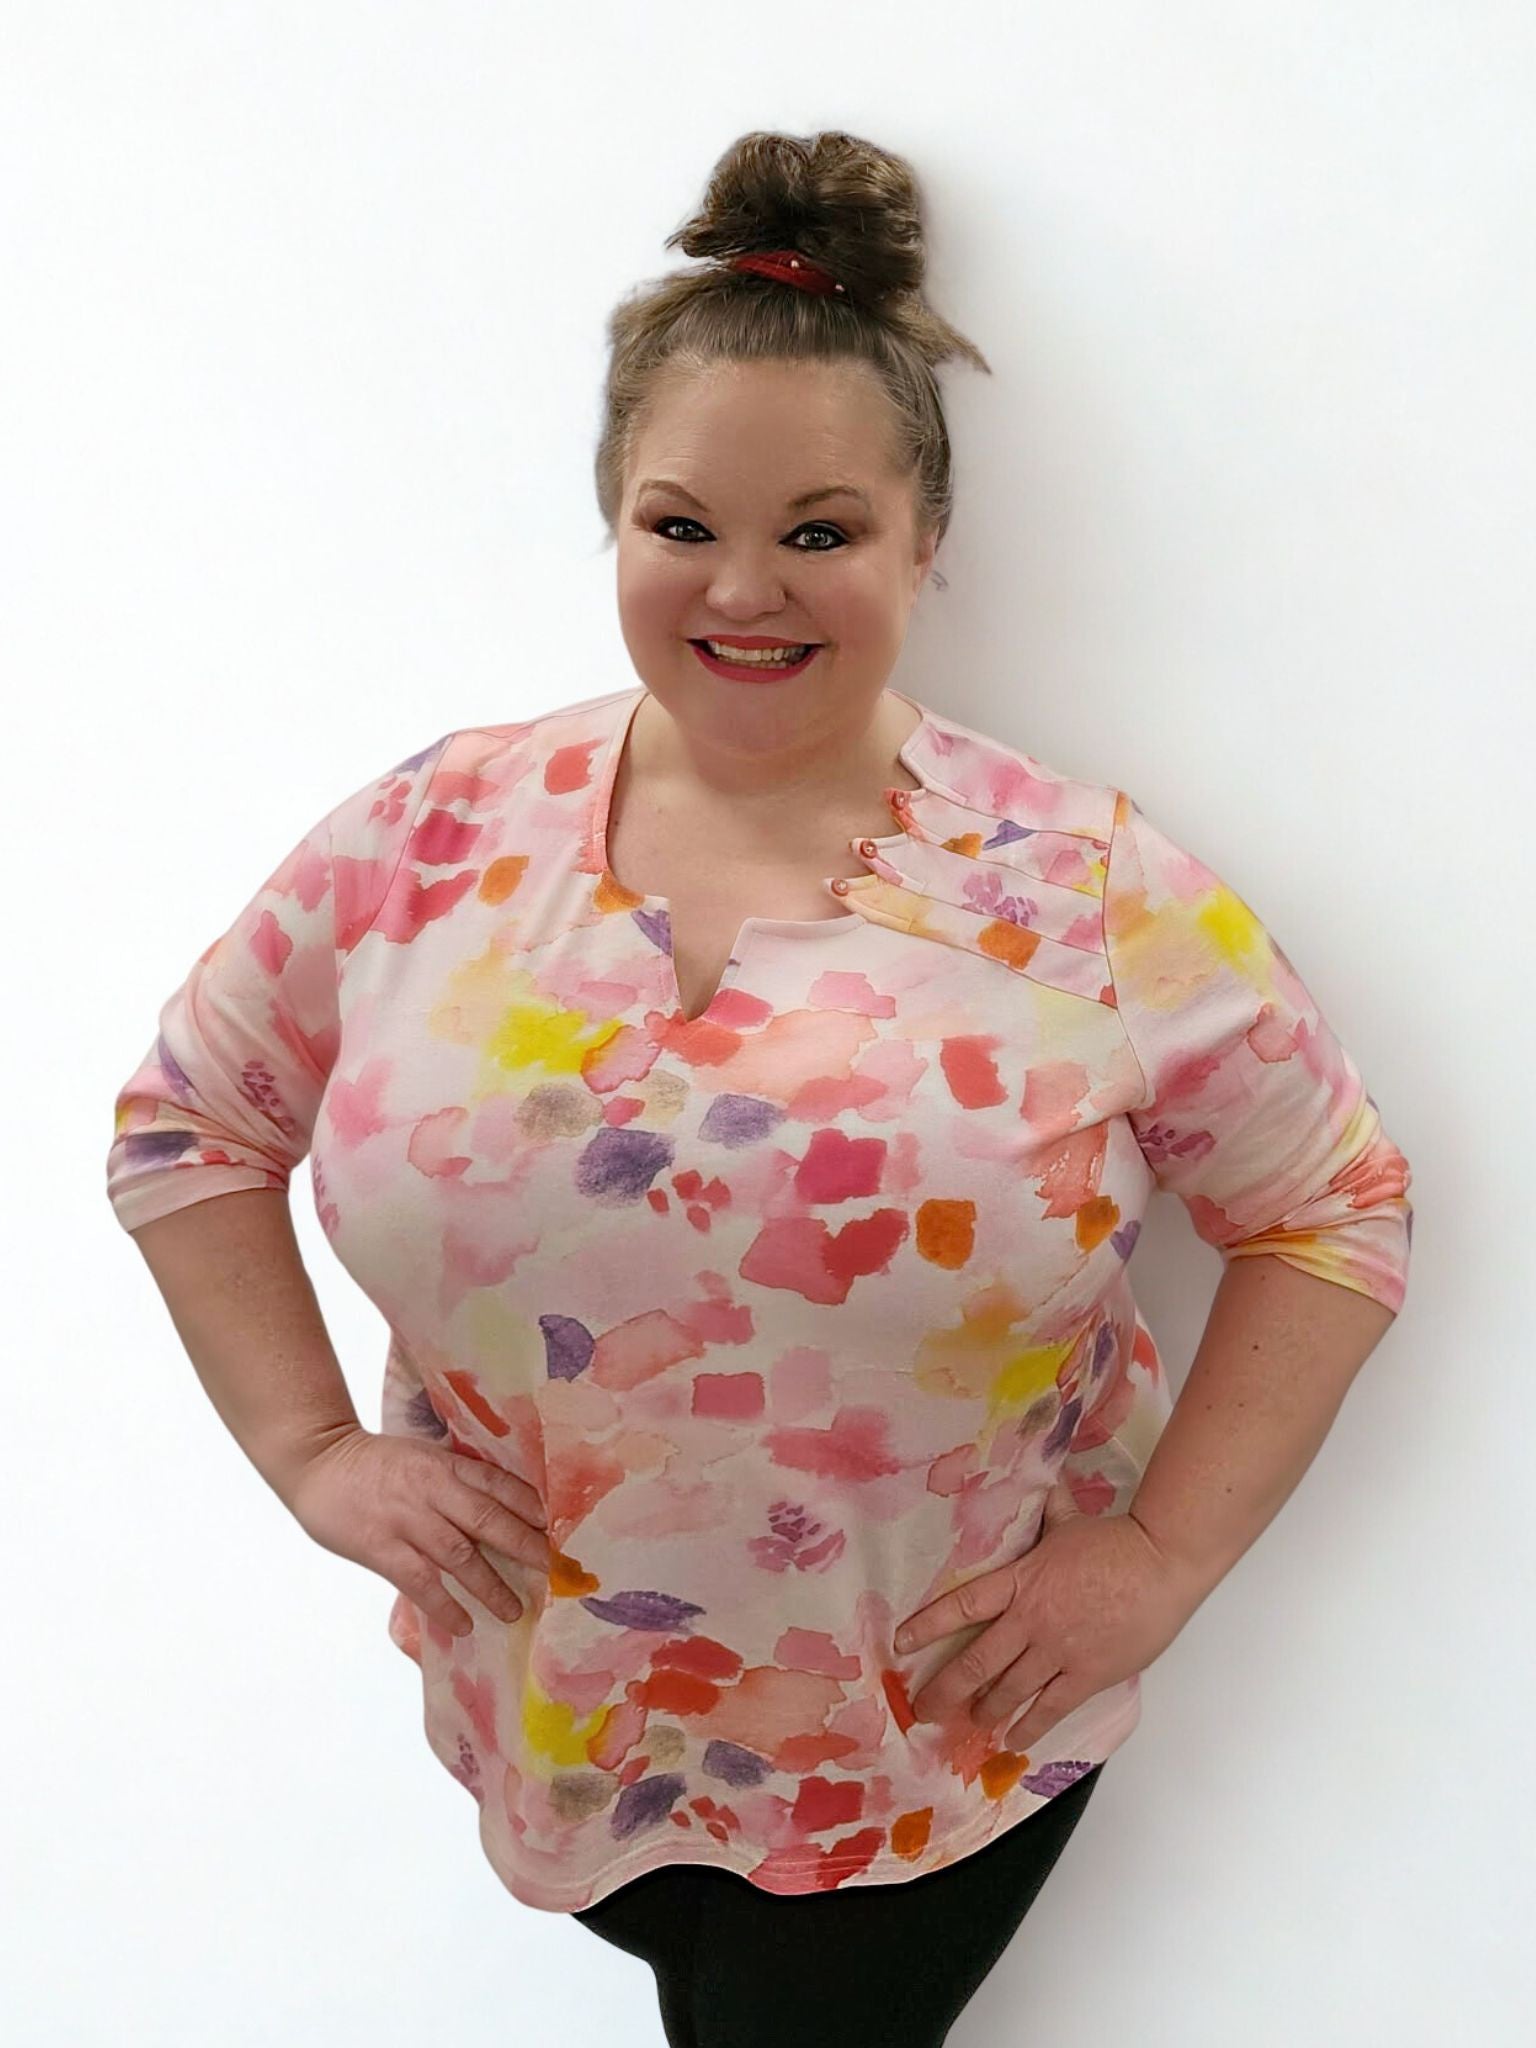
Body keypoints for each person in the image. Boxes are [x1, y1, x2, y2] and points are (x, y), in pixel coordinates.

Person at [106, 129, 1413, 2048]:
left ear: (924, 543)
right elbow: (186, 1125)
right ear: (614, 525)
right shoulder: (429, 837)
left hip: (923, 1746)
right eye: (680, 524)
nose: (744, 588)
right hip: (551, 1715)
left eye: (819, 532)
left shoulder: (1082, 891)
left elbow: (1334, 1209)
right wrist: (309, 1450)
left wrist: (1163, 1558)